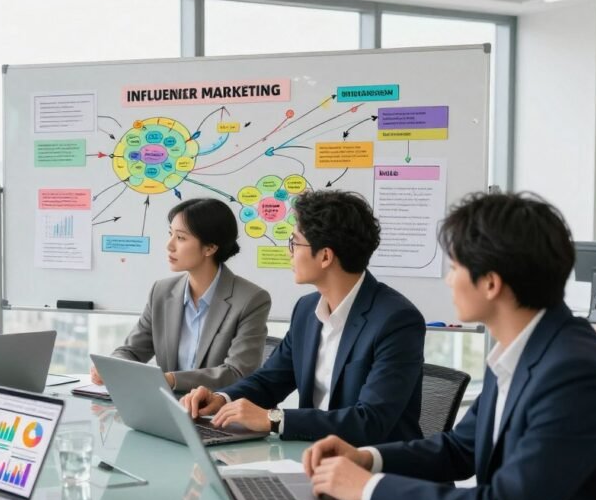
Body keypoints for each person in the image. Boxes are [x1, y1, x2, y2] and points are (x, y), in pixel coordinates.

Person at [304, 192, 596, 500]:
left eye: (455, 267)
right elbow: (459, 450)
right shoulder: (524, 348)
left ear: (491, 284)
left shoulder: (574, 371)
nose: (448, 281)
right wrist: (367, 458)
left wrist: (366, 489)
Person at [182, 190, 425, 444]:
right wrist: (221, 399)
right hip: (311, 457)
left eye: (294, 242)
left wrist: (275, 419)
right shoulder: (307, 310)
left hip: (376, 468)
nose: (289, 252)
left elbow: (370, 421)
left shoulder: (397, 320)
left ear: (325, 256)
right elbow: (270, 381)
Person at [92, 198, 271, 391]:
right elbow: (131, 351)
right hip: (166, 408)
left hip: (217, 413)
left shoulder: (251, 299)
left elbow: (236, 373)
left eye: (181, 238)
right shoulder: (161, 291)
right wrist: (113, 367)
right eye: (171, 234)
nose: (169, 245)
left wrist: (169, 380)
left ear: (210, 247)